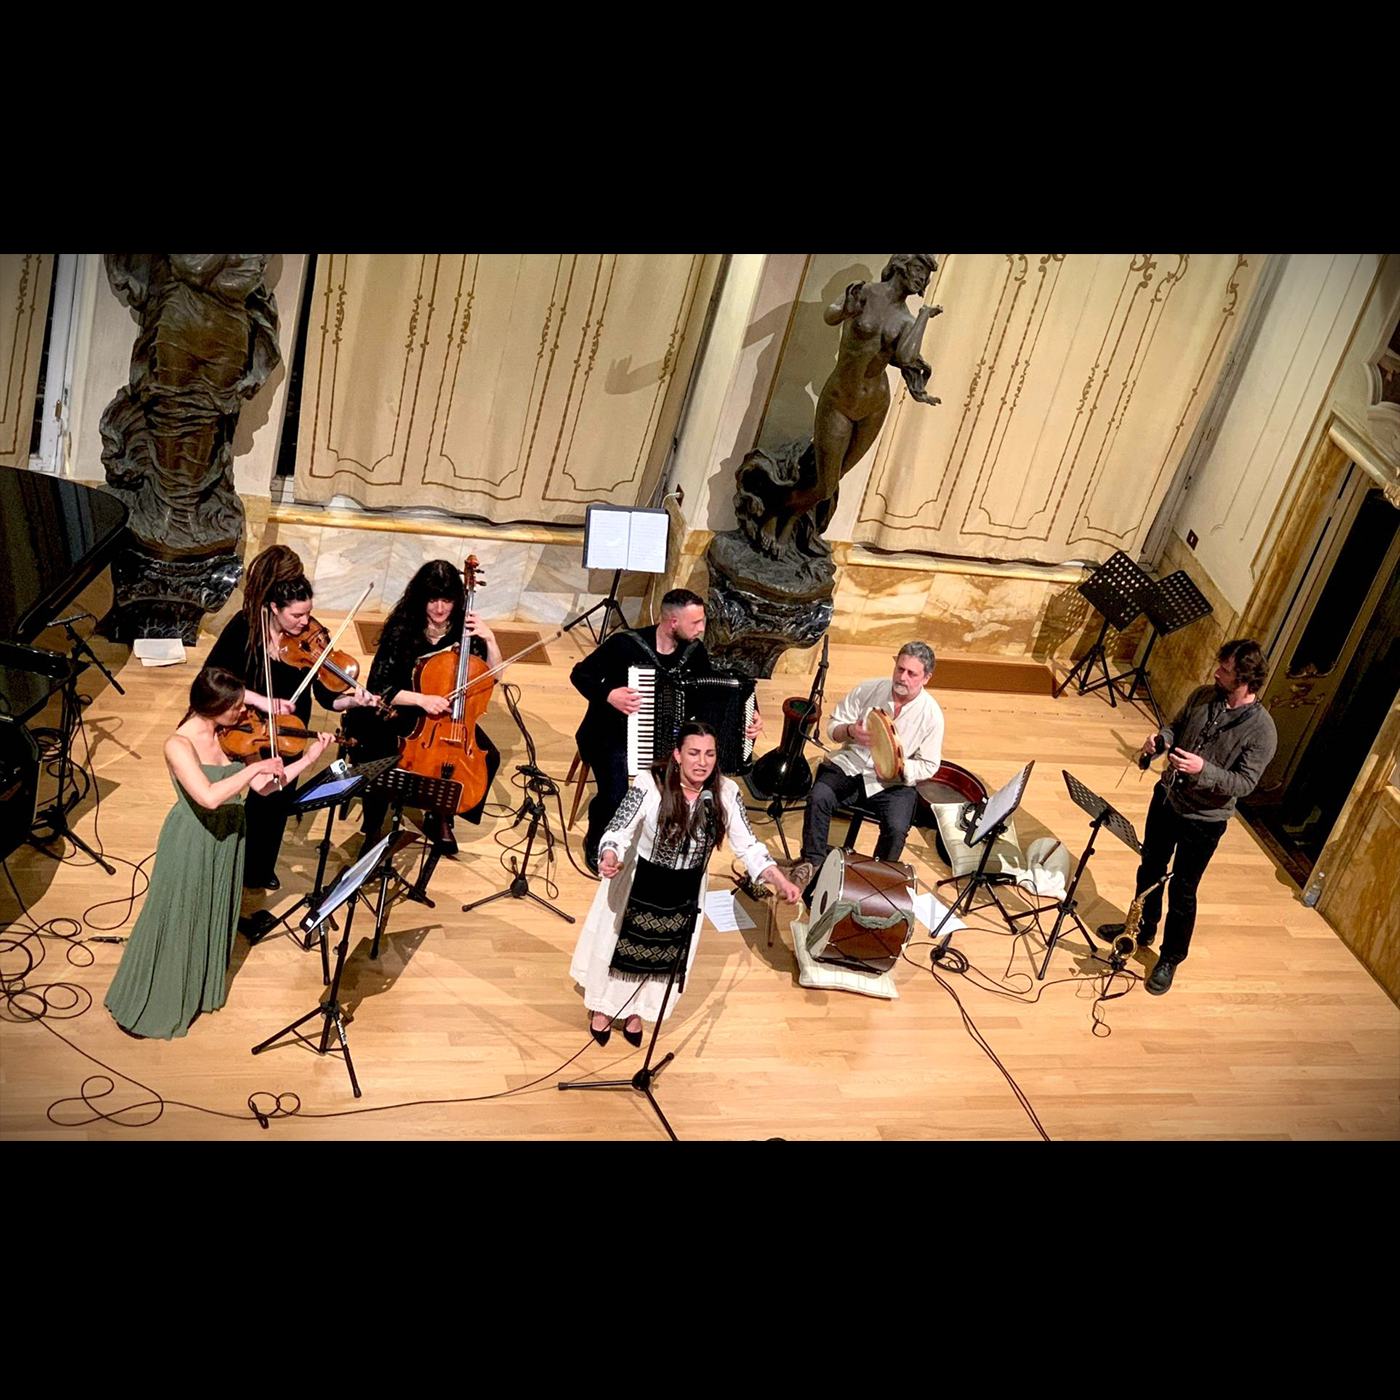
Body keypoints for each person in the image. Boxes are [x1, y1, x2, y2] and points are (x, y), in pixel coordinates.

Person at [104, 669, 332, 1040]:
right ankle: (153, 1001)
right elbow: (209, 797)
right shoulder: (178, 744)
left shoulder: (233, 736)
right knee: (177, 916)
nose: (246, 712)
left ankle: (193, 988)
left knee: (210, 911)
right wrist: (255, 768)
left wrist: (309, 759)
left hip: (229, 837)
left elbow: (265, 787)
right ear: (214, 706)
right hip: (193, 839)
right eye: (237, 706)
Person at [569, 722, 800, 1046]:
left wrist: (779, 879)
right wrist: (609, 854)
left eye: (709, 754)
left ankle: (636, 1012)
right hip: (640, 880)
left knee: (663, 959)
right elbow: (619, 827)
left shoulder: (725, 793)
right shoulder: (651, 783)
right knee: (618, 947)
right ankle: (603, 1009)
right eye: (694, 753)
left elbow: (748, 846)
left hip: (685, 890)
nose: (702, 762)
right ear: (677, 755)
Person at [1099, 640, 1278, 996]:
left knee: (1183, 890)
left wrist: (1203, 770)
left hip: (1204, 820)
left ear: (1246, 680)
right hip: (1167, 800)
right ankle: (1141, 929)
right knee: (1150, 869)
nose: (1216, 673)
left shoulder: (1262, 731)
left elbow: (1244, 784)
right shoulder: (1203, 696)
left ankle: (1170, 958)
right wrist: (1161, 741)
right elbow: (1176, 726)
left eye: (1225, 670)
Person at [206, 545, 376, 895]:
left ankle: (257, 868)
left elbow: (328, 697)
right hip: (243, 724)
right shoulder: (244, 628)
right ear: (274, 606)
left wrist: (352, 700)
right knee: (230, 795)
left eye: (307, 613)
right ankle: (222, 863)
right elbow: (213, 679)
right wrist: (257, 701)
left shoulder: (309, 639)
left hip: (289, 731)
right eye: (297, 615)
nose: (305, 622)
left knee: (276, 799)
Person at [753, 254, 943, 559]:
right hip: (840, 400)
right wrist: (845, 310)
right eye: (919, 270)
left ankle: (791, 518)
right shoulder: (863, 292)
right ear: (901, 264)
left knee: (833, 478)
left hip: (875, 405)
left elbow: (906, 357)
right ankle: (776, 510)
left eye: (926, 276)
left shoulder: (907, 319)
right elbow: (829, 316)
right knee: (826, 485)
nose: (923, 279)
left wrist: (923, 316)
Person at [569, 589, 763, 873]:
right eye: (695, 622)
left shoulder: (694, 652)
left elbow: (722, 689)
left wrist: (750, 712)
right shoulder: (625, 645)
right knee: (615, 795)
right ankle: (597, 839)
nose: (702, 628)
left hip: (667, 738)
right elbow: (580, 674)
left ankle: (661, 843)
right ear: (673, 622)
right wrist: (609, 694)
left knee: (691, 780)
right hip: (610, 733)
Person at [340, 560, 504, 854]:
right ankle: (374, 828)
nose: (440, 609)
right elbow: (380, 687)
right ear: (421, 599)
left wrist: (490, 639)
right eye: (432, 600)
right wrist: (423, 700)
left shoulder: (465, 630)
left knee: (489, 756)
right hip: (403, 708)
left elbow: (493, 677)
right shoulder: (403, 630)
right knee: (380, 750)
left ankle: (441, 814)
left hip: (447, 718)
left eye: (447, 600)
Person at [789, 642, 945, 898]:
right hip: (852, 766)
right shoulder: (868, 689)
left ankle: (875, 884)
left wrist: (896, 768)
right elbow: (833, 727)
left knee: (897, 828)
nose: (902, 677)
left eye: (911, 673)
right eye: (900, 669)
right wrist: (850, 731)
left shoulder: (932, 715)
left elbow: (929, 765)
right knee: (819, 797)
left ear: (926, 678)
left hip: (893, 783)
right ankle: (812, 864)